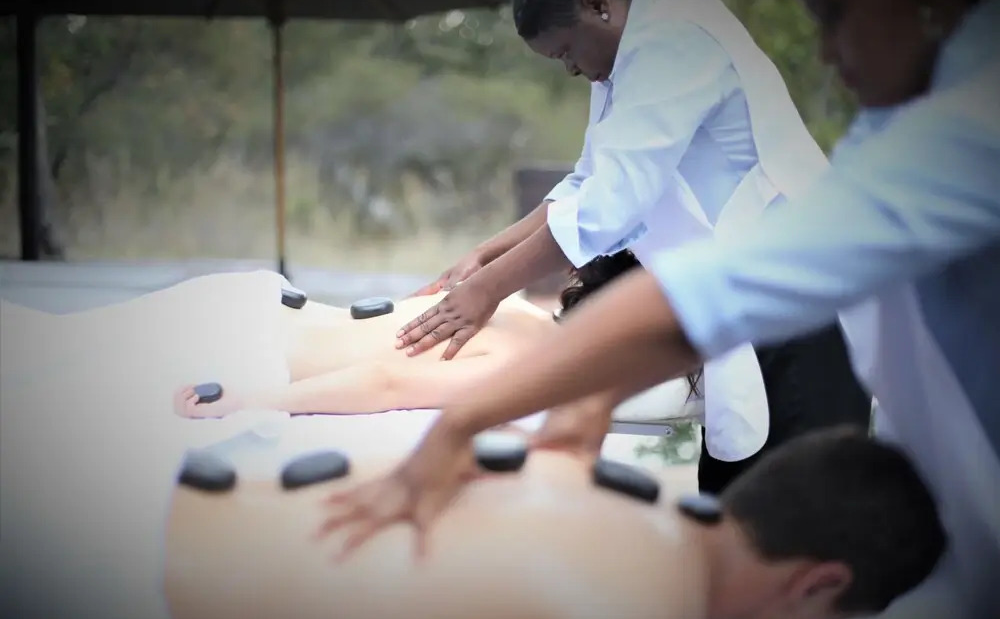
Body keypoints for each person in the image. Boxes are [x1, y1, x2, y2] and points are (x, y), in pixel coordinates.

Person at [312, 0, 1000, 619]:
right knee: (743, 543)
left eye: (835, 11)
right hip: (775, 339)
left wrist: (468, 405)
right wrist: (489, 260)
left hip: (795, 332)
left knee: (775, 558)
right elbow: (590, 184)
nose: (824, 50)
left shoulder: (959, 129)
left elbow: (637, 236)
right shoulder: (898, 121)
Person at [392, 0, 872, 493]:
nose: (570, 69)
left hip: (800, 310)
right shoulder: (624, 50)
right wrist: (486, 254)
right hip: (740, 301)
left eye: (566, 51)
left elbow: (608, 207)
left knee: (795, 510)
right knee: (736, 503)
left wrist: (487, 290)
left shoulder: (673, 40)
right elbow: (587, 180)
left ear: (598, 5)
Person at [166, 430, 946, 619]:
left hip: (169, 508)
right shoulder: (654, 603)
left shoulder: (628, 502)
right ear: (818, 583)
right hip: (151, 589)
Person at [168, 264, 700, 421]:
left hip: (250, 304)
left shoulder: (509, 304)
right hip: (243, 348)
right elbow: (386, 382)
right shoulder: (527, 360)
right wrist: (250, 402)